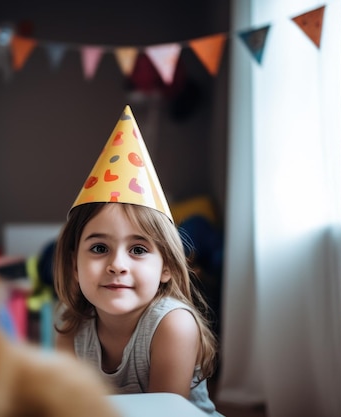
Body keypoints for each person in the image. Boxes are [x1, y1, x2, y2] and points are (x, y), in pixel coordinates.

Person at [53, 105, 223, 416]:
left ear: (168, 266)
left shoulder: (173, 325)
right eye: (99, 248)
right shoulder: (70, 325)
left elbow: (163, 412)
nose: (117, 264)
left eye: (139, 250)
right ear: (74, 266)